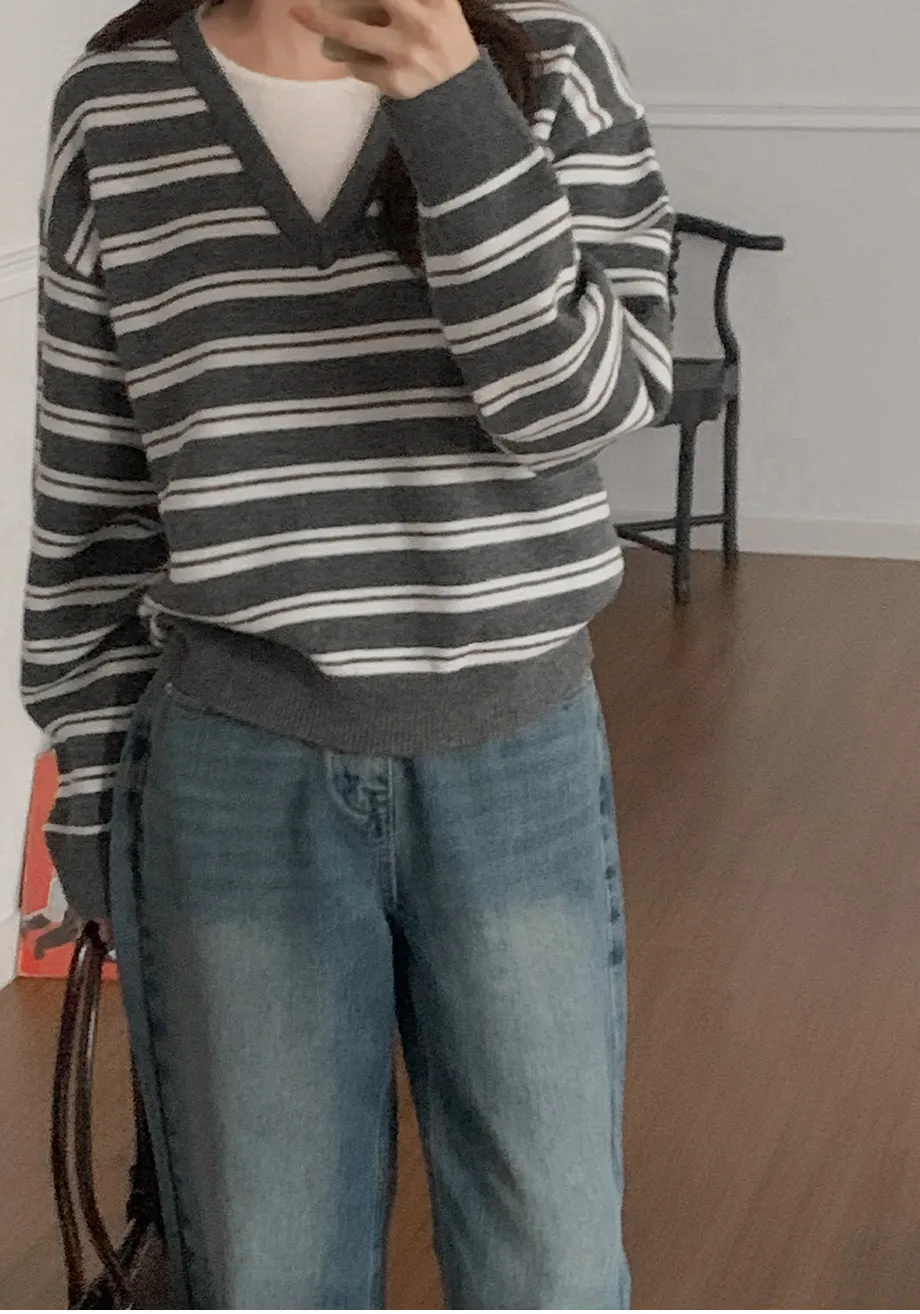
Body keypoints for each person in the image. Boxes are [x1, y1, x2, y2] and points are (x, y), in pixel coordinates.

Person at [21, 0, 673, 1305]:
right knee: (270, 1271)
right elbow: (92, 503)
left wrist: (455, 111)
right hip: (230, 775)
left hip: (514, 761)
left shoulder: (554, 73)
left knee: (549, 1268)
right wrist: (92, 804)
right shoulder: (118, 104)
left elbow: (578, 408)